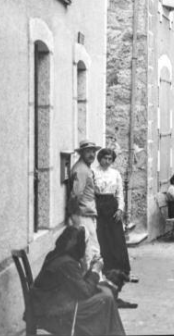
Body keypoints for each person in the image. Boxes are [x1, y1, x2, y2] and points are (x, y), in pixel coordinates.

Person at [30, 226, 126, 336]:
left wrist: (89, 269)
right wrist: (95, 271)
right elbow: (84, 293)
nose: (85, 248)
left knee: (105, 292)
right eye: (85, 244)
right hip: (54, 314)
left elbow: (76, 285)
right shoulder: (66, 263)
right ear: (78, 245)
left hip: (52, 305)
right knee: (106, 298)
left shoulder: (57, 255)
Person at [93, 148, 137, 308]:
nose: (107, 161)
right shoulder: (93, 173)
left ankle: (123, 272)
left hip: (112, 206)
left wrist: (120, 209)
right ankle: (106, 271)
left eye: (110, 158)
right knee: (102, 238)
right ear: (99, 159)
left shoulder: (115, 174)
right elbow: (91, 193)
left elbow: (120, 193)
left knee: (116, 240)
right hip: (98, 206)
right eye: (104, 158)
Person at [69, 140, 103, 266]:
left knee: (91, 249)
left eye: (93, 151)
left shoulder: (85, 168)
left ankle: (91, 280)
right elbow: (76, 194)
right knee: (91, 251)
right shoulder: (81, 169)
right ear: (81, 153)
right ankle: (91, 282)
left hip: (87, 213)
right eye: (88, 151)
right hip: (83, 214)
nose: (92, 154)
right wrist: (75, 215)